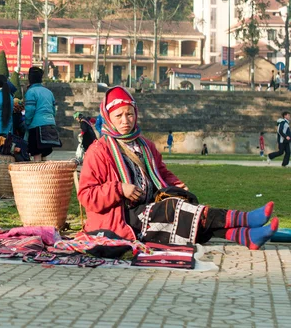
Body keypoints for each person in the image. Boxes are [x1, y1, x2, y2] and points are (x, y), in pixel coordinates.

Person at [78, 86, 279, 249]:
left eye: (129, 114)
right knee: (175, 210)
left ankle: (244, 235)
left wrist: (174, 184)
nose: (125, 121)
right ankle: (245, 219)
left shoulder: (145, 145)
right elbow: (86, 195)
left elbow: (161, 172)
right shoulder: (99, 151)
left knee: (186, 211)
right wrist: (119, 189)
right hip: (121, 218)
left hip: (148, 207)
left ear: (136, 113)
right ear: (108, 117)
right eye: (118, 115)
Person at [25, 67, 60, 161]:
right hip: (50, 125)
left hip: (37, 126)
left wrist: (27, 123)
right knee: (44, 153)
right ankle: (45, 174)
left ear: (30, 79)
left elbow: (30, 111)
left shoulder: (31, 92)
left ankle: (37, 175)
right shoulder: (49, 92)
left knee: (36, 154)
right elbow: (54, 110)